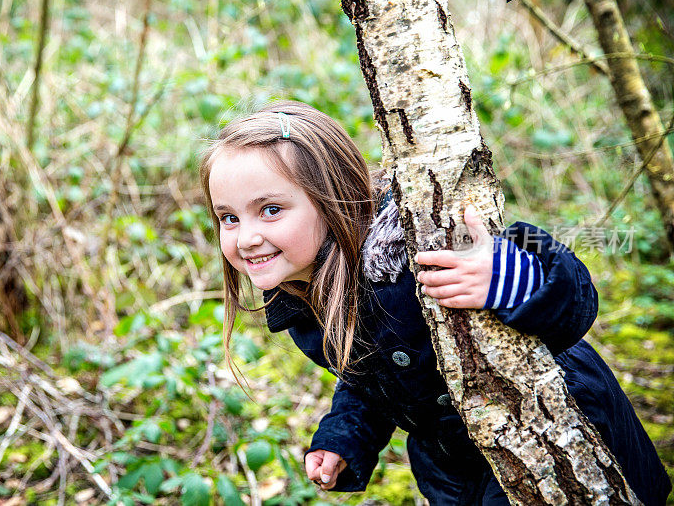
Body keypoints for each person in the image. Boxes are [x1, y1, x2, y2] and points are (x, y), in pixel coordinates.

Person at [199, 100, 671, 505]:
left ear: (332, 199)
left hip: (556, 430)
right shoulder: (301, 297)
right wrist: (345, 436)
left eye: (272, 210)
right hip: (455, 468)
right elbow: (371, 375)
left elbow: (573, 289)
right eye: (229, 217)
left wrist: (503, 277)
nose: (248, 237)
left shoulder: (413, 247)